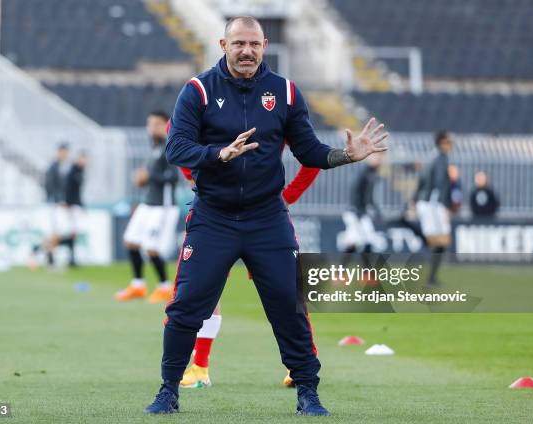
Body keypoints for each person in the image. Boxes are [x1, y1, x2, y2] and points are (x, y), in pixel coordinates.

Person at [143, 16, 388, 416]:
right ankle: (168, 389)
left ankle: (307, 390)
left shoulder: (286, 92)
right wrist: (217, 154)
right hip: (214, 216)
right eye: (239, 43)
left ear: (265, 45)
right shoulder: (198, 91)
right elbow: (176, 148)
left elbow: (308, 151)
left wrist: (346, 154)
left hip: (266, 218)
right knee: (186, 305)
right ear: (223, 44)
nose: (247, 51)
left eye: (254, 45)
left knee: (289, 305)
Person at [179, 164, 320, 389]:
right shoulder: (187, 127)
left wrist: (288, 196)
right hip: (217, 216)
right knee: (203, 287)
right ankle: (199, 367)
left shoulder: (274, 127)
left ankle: (301, 365)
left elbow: (312, 154)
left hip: (265, 219)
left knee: (286, 290)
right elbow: (179, 144)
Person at [115, 111, 180, 303]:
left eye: (157, 124)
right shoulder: (154, 148)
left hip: (163, 206)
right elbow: (151, 176)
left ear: (165, 125)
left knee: (152, 248)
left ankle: (164, 287)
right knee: (131, 241)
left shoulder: (169, 146)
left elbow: (173, 177)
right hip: (148, 203)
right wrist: (142, 180)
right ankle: (138, 285)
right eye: (150, 124)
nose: (152, 128)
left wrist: (149, 177)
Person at [415, 130, 454, 285]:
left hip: (428, 202)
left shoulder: (433, 157)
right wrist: (444, 207)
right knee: (440, 239)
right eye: (449, 141)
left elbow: (422, 181)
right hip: (433, 204)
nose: (451, 145)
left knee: (439, 241)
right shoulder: (441, 159)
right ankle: (429, 277)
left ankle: (431, 277)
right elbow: (438, 184)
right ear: (442, 142)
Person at [37, 151, 88, 268]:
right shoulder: (62, 169)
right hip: (61, 205)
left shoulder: (72, 169)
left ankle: (68, 258)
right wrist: (62, 201)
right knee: (59, 233)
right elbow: (57, 187)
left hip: (67, 205)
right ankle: (40, 252)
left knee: (70, 233)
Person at [340, 153, 383, 271]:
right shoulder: (364, 173)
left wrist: (376, 212)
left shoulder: (372, 173)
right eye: (376, 157)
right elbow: (355, 191)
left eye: (380, 157)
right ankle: (364, 273)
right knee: (365, 240)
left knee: (355, 242)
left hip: (360, 213)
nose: (379, 160)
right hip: (355, 213)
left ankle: (343, 273)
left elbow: (369, 197)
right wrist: (357, 211)